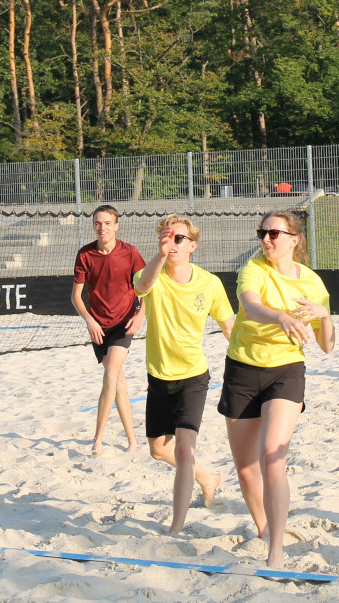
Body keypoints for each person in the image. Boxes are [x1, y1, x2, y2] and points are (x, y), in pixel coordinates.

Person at [220, 209, 335, 569]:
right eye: (263, 233)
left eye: (274, 233)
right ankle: (264, 528)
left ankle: (276, 551)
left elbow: (327, 346)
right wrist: (281, 316)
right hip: (242, 367)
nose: (266, 239)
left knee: (273, 457)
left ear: (294, 240)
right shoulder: (253, 269)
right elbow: (251, 307)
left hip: (286, 370)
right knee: (245, 469)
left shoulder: (313, 284)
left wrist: (325, 315)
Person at [133, 215, 235, 534]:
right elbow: (141, 286)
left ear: (192, 246)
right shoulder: (152, 273)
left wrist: (254, 363)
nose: (171, 243)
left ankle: (176, 526)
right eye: (166, 237)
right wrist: (160, 255)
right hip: (159, 377)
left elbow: (230, 327)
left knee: (182, 448)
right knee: (157, 449)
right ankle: (208, 478)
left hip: (194, 376)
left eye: (178, 239)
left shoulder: (210, 283)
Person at [71, 205, 146, 456]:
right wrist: (89, 320)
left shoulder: (130, 253)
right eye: (97, 223)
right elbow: (76, 297)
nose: (102, 227)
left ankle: (98, 439)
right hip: (98, 327)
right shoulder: (85, 255)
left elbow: (147, 289)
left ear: (116, 226)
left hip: (124, 323)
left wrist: (139, 316)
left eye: (107, 223)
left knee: (111, 372)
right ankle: (133, 441)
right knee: (119, 382)